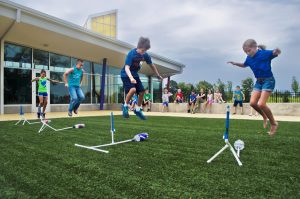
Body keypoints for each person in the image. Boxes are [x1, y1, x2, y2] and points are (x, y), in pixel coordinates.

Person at [228, 39, 281, 135]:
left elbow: (274, 53)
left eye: (248, 51)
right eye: (245, 52)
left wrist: (277, 51)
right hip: (258, 82)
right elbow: (244, 65)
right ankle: (264, 116)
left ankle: (274, 123)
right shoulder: (249, 58)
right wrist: (235, 63)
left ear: (255, 47)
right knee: (252, 103)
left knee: (261, 104)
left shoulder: (264, 53)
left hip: (268, 80)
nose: (247, 53)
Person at [121, 37, 163, 120]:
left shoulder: (145, 54)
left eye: (145, 51)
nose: (143, 53)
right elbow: (126, 68)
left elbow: (152, 65)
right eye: (143, 50)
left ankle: (137, 109)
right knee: (132, 90)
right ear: (138, 47)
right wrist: (131, 78)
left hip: (135, 74)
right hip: (126, 74)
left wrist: (158, 74)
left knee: (142, 92)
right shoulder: (131, 54)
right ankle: (125, 106)